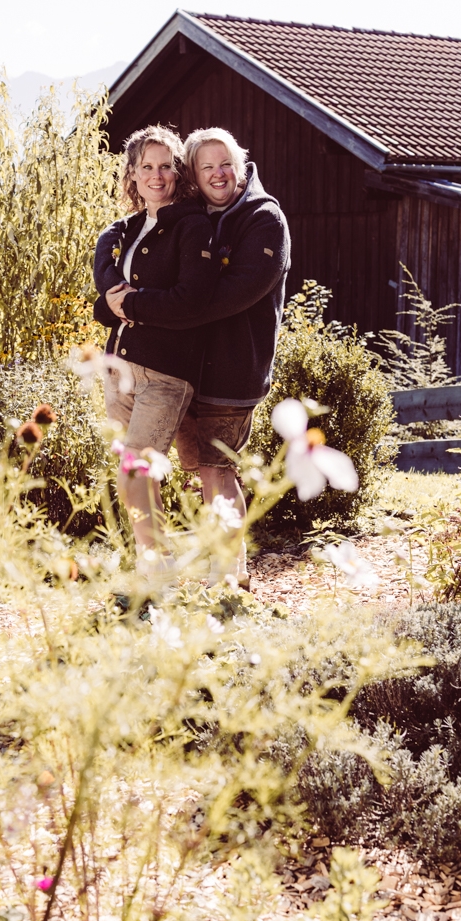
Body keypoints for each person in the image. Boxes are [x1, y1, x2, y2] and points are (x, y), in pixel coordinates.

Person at [112, 127, 291, 586]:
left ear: (240, 165)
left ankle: (230, 575)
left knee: (216, 469)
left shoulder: (263, 219)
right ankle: (195, 567)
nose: (218, 173)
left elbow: (227, 296)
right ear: (193, 174)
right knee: (195, 470)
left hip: (233, 370)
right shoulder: (192, 218)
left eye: (225, 163)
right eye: (206, 166)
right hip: (185, 367)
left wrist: (150, 306)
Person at [92, 125, 216, 575]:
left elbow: (192, 300)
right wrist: (114, 306)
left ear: (177, 172)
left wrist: (132, 305)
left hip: (165, 372)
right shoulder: (124, 230)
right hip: (118, 369)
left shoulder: (191, 225)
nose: (157, 175)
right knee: (131, 473)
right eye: (147, 166)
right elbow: (105, 304)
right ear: (133, 172)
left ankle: (159, 571)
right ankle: (154, 561)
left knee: (139, 470)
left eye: (166, 166)